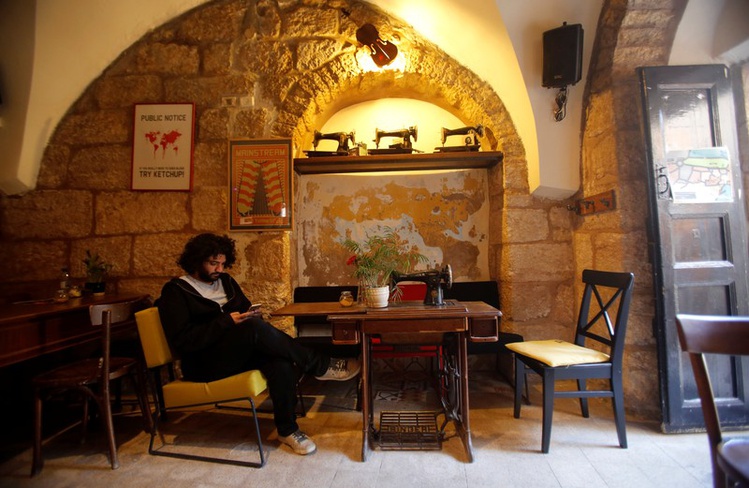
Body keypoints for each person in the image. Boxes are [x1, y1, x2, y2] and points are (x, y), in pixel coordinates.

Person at [156, 233, 360, 455]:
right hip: (203, 363)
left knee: (279, 361)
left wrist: (252, 315)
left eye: (223, 263)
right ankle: (320, 365)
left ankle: (288, 429)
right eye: (213, 263)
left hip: (236, 353)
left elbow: (244, 311)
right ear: (196, 260)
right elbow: (183, 341)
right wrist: (227, 321)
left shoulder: (226, 282)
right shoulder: (176, 291)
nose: (220, 269)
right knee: (252, 329)